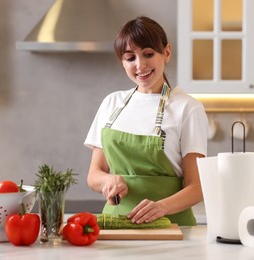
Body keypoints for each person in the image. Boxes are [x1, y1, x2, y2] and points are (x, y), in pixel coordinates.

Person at [84, 16, 208, 226]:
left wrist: (162, 207)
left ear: (166, 53)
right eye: (130, 58)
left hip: (172, 227)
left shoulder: (187, 108)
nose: (140, 65)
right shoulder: (111, 103)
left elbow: (197, 187)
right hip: (114, 225)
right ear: (122, 62)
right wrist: (108, 180)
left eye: (148, 54)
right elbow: (94, 175)